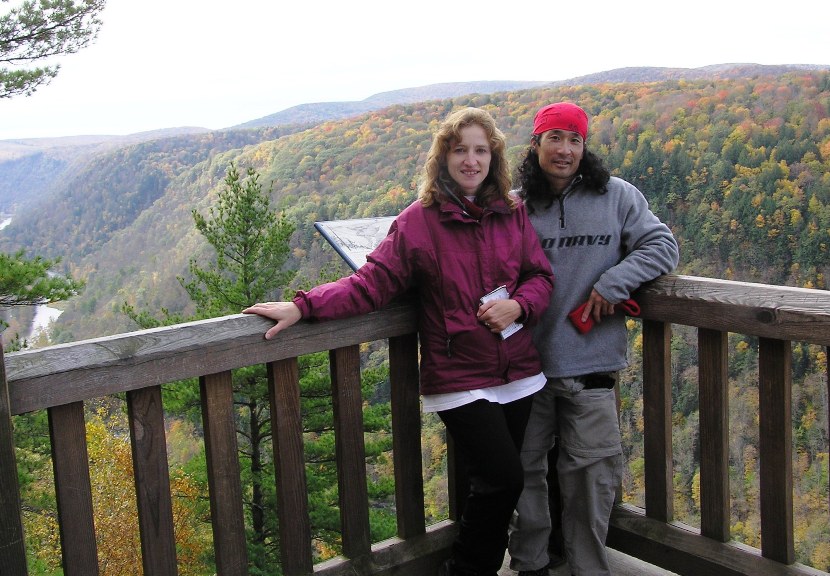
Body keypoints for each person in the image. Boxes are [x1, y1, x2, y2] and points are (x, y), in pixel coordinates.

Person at [243, 107, 555, 576]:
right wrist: (303, 306)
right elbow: (371, 284)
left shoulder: (512, 213)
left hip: (517, 369)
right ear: (443, 157)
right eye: (460, 150)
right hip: (459, 375)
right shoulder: (418, 222)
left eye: (480, 151)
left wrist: (520, 306)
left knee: (492, 486)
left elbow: (539, 277)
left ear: (494, 157)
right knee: (504, 479)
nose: (471, 161)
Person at [507, 102, 680, 576]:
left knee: (592, 476)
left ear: (585, 147)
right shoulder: (514, 204)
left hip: (592, 365)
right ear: (536, 143)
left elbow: (663, 246)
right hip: (525, 368)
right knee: (525, 473)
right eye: (555, 138)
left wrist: (614, 282)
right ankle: (531, 563)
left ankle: (588, 569)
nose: (565, 150)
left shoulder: (617, 196)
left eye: (574, 140)